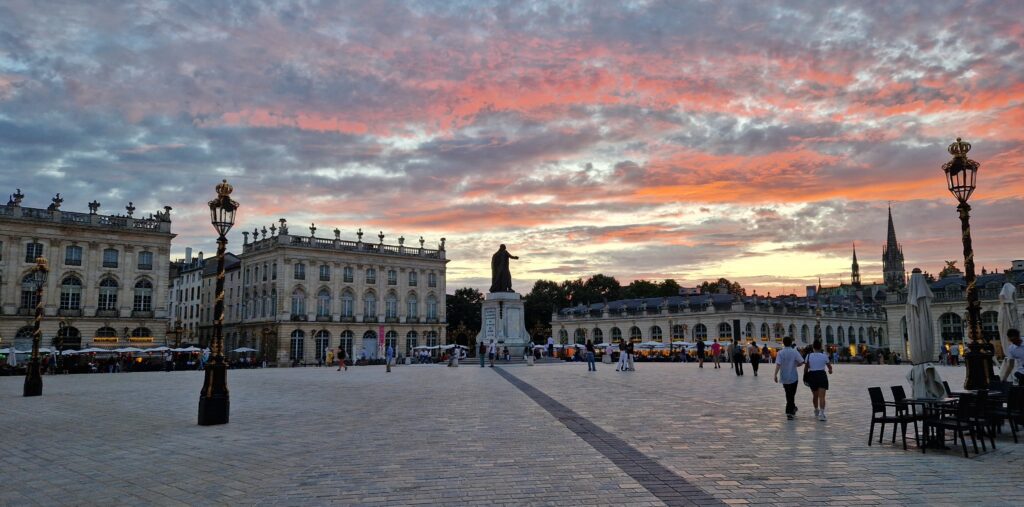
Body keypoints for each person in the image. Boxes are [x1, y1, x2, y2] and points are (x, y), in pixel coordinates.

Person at [774, 336, 805, 420]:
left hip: (784, 376)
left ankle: (791, 409)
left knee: (788, 393)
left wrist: (775, 375)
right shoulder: (794, 352)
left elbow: (778, 364)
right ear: (791, 343)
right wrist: (795, 365)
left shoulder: (780, 352)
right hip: (793, 376)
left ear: (783, 343)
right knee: (791, 394)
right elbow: (802, 362)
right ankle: (790, 412)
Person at [804, 340, 833, 421]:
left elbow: (806, 368)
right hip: (822, 375)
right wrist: (830, 371)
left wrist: (805, 376)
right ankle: (822, 413)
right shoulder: (824, 356)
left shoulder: (808, 356)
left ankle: (816, 410)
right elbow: (829, 366)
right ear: (820, 347)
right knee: (822, 396)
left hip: (812, 376)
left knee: (815, 395)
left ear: (813, 347)